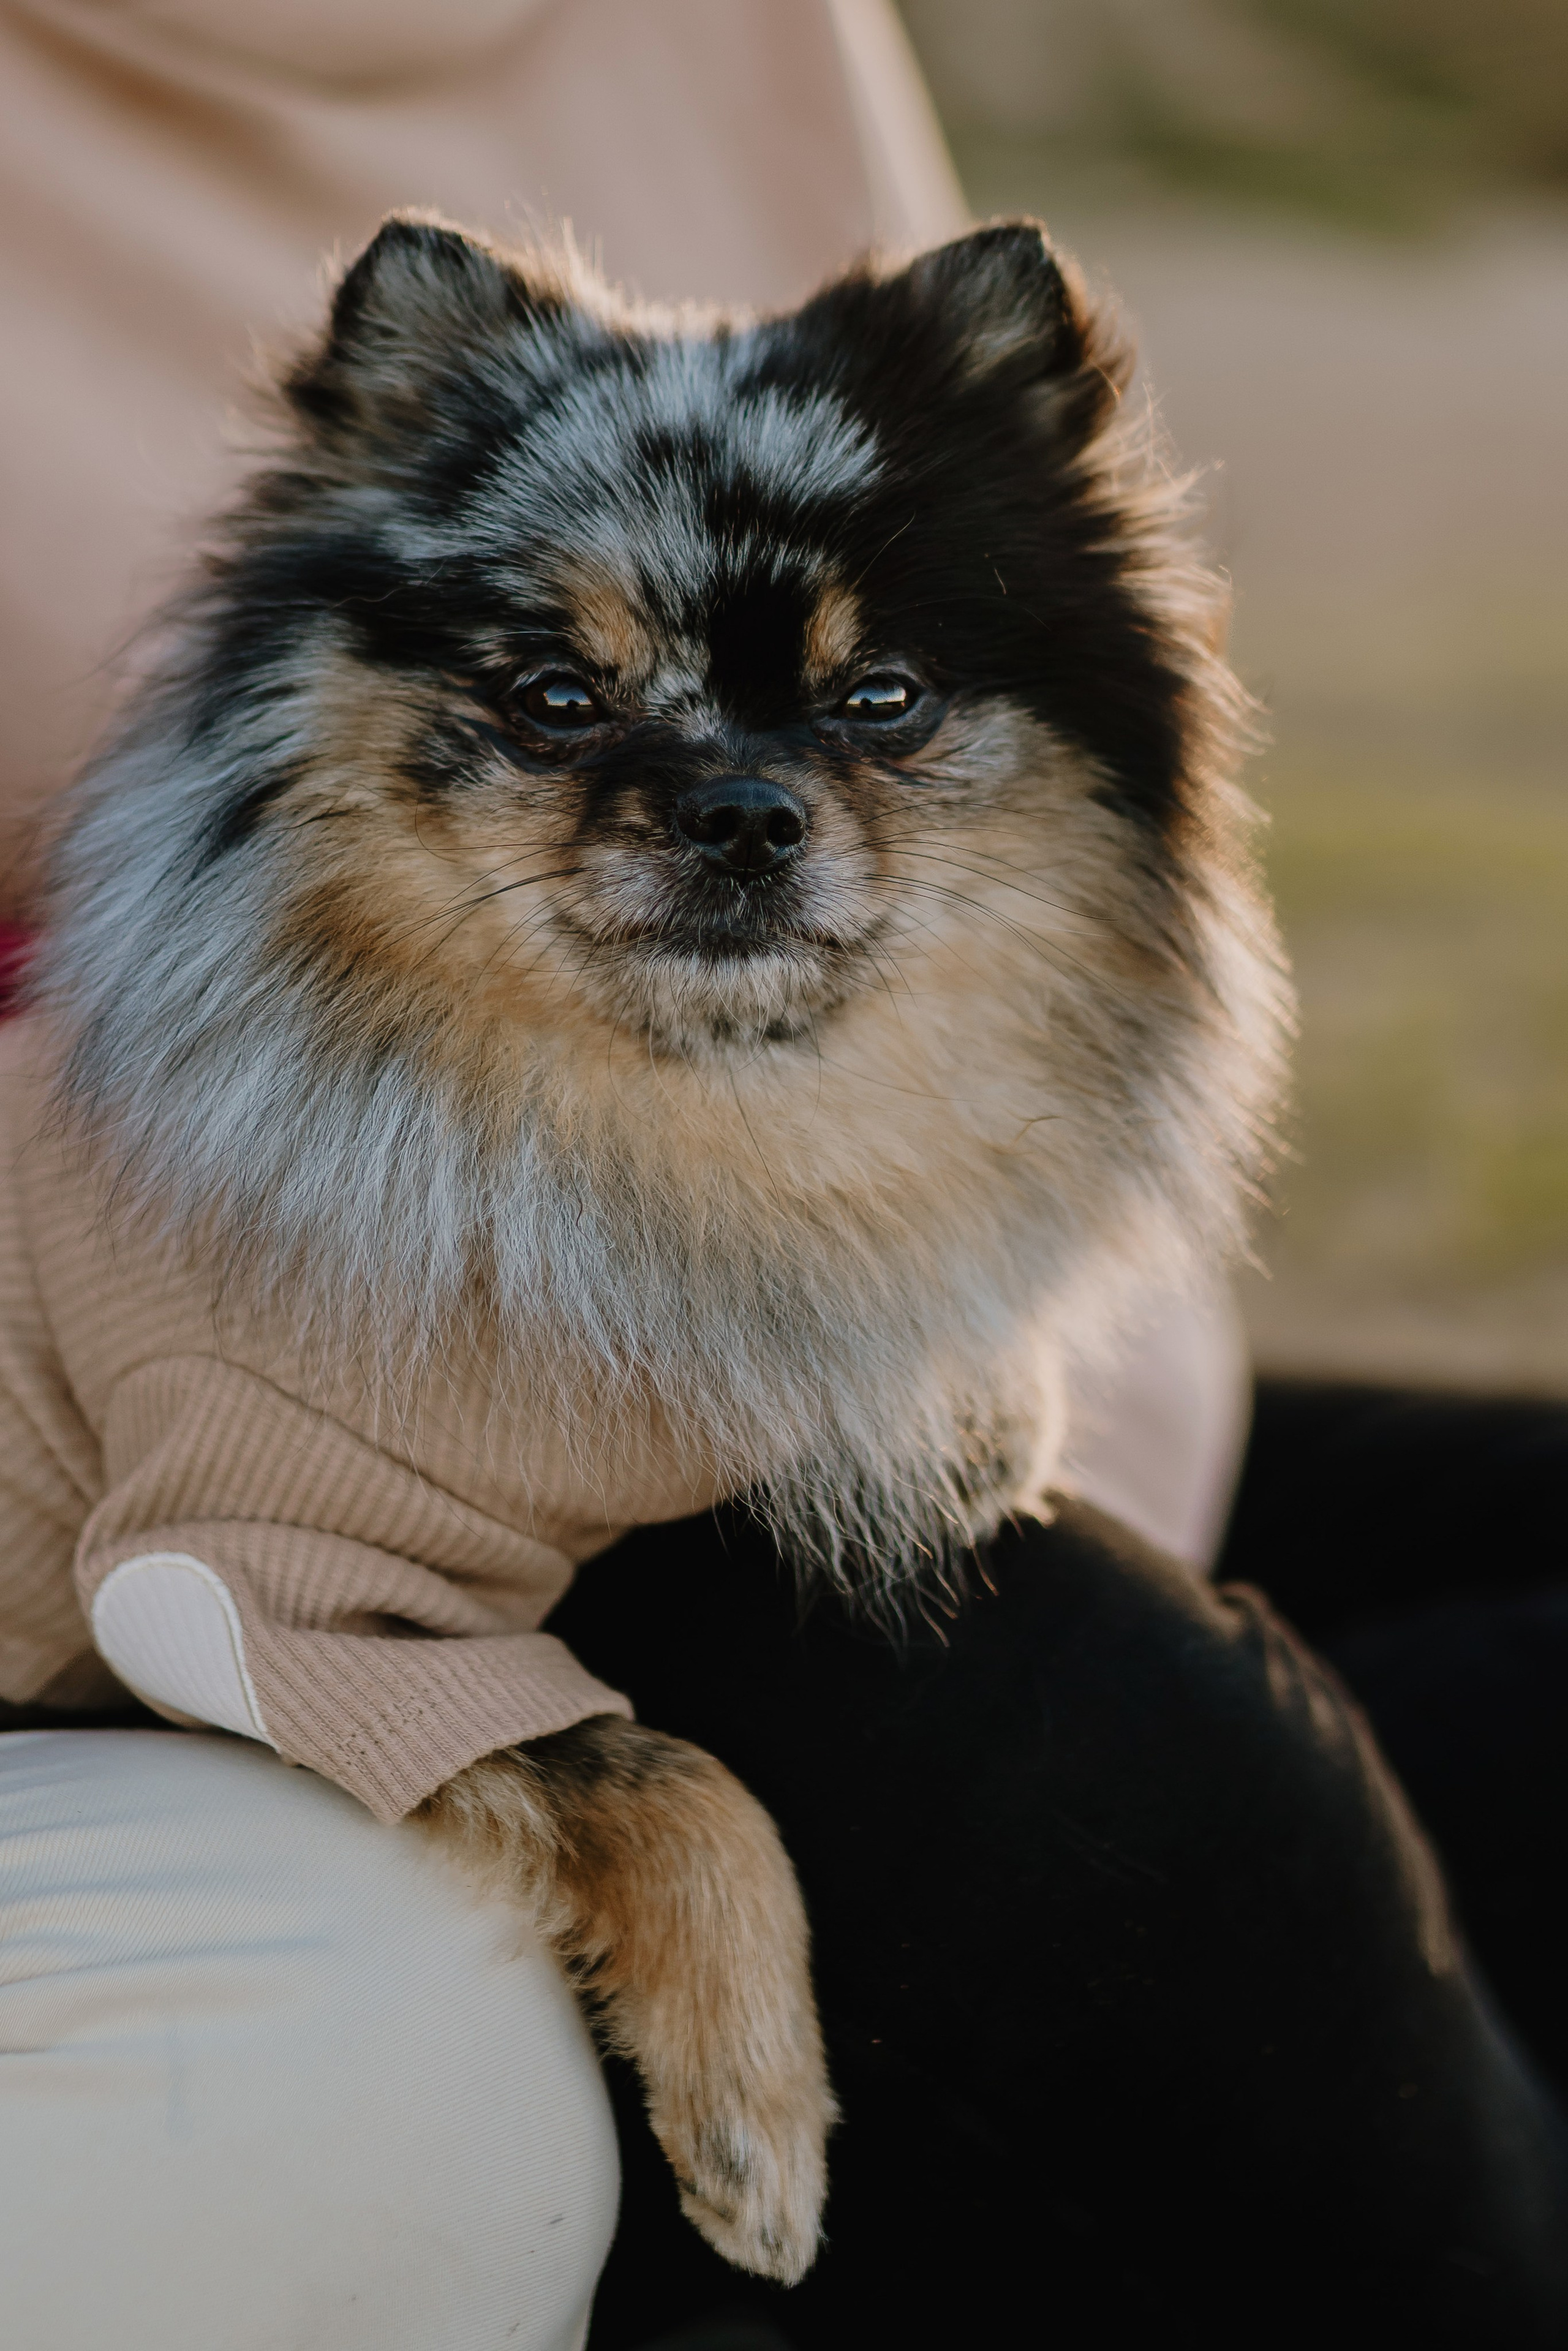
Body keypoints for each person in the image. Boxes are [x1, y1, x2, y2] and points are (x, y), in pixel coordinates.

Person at [2, 7, 1566, 2347]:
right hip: (391, 1430)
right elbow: (237, 1594)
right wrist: (664, 1850)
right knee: (1158, 1753)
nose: (731, 797)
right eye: (565, 708)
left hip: (823, 1320)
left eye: (870, 713)